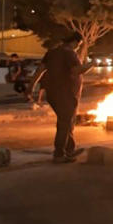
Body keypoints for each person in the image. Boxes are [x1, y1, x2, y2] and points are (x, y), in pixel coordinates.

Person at [32, 33, 88, 163]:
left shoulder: (52, 52)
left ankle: (70, 149)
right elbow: (76, 71)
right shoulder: (69, 53)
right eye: (79, 44)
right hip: (66, 93)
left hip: (53, 93)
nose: (78, 47)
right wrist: (90, 65)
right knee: (65, 123)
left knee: (68, 121)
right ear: (75, 41)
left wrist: (31, 86)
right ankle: (59, 154)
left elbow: (40, 70)